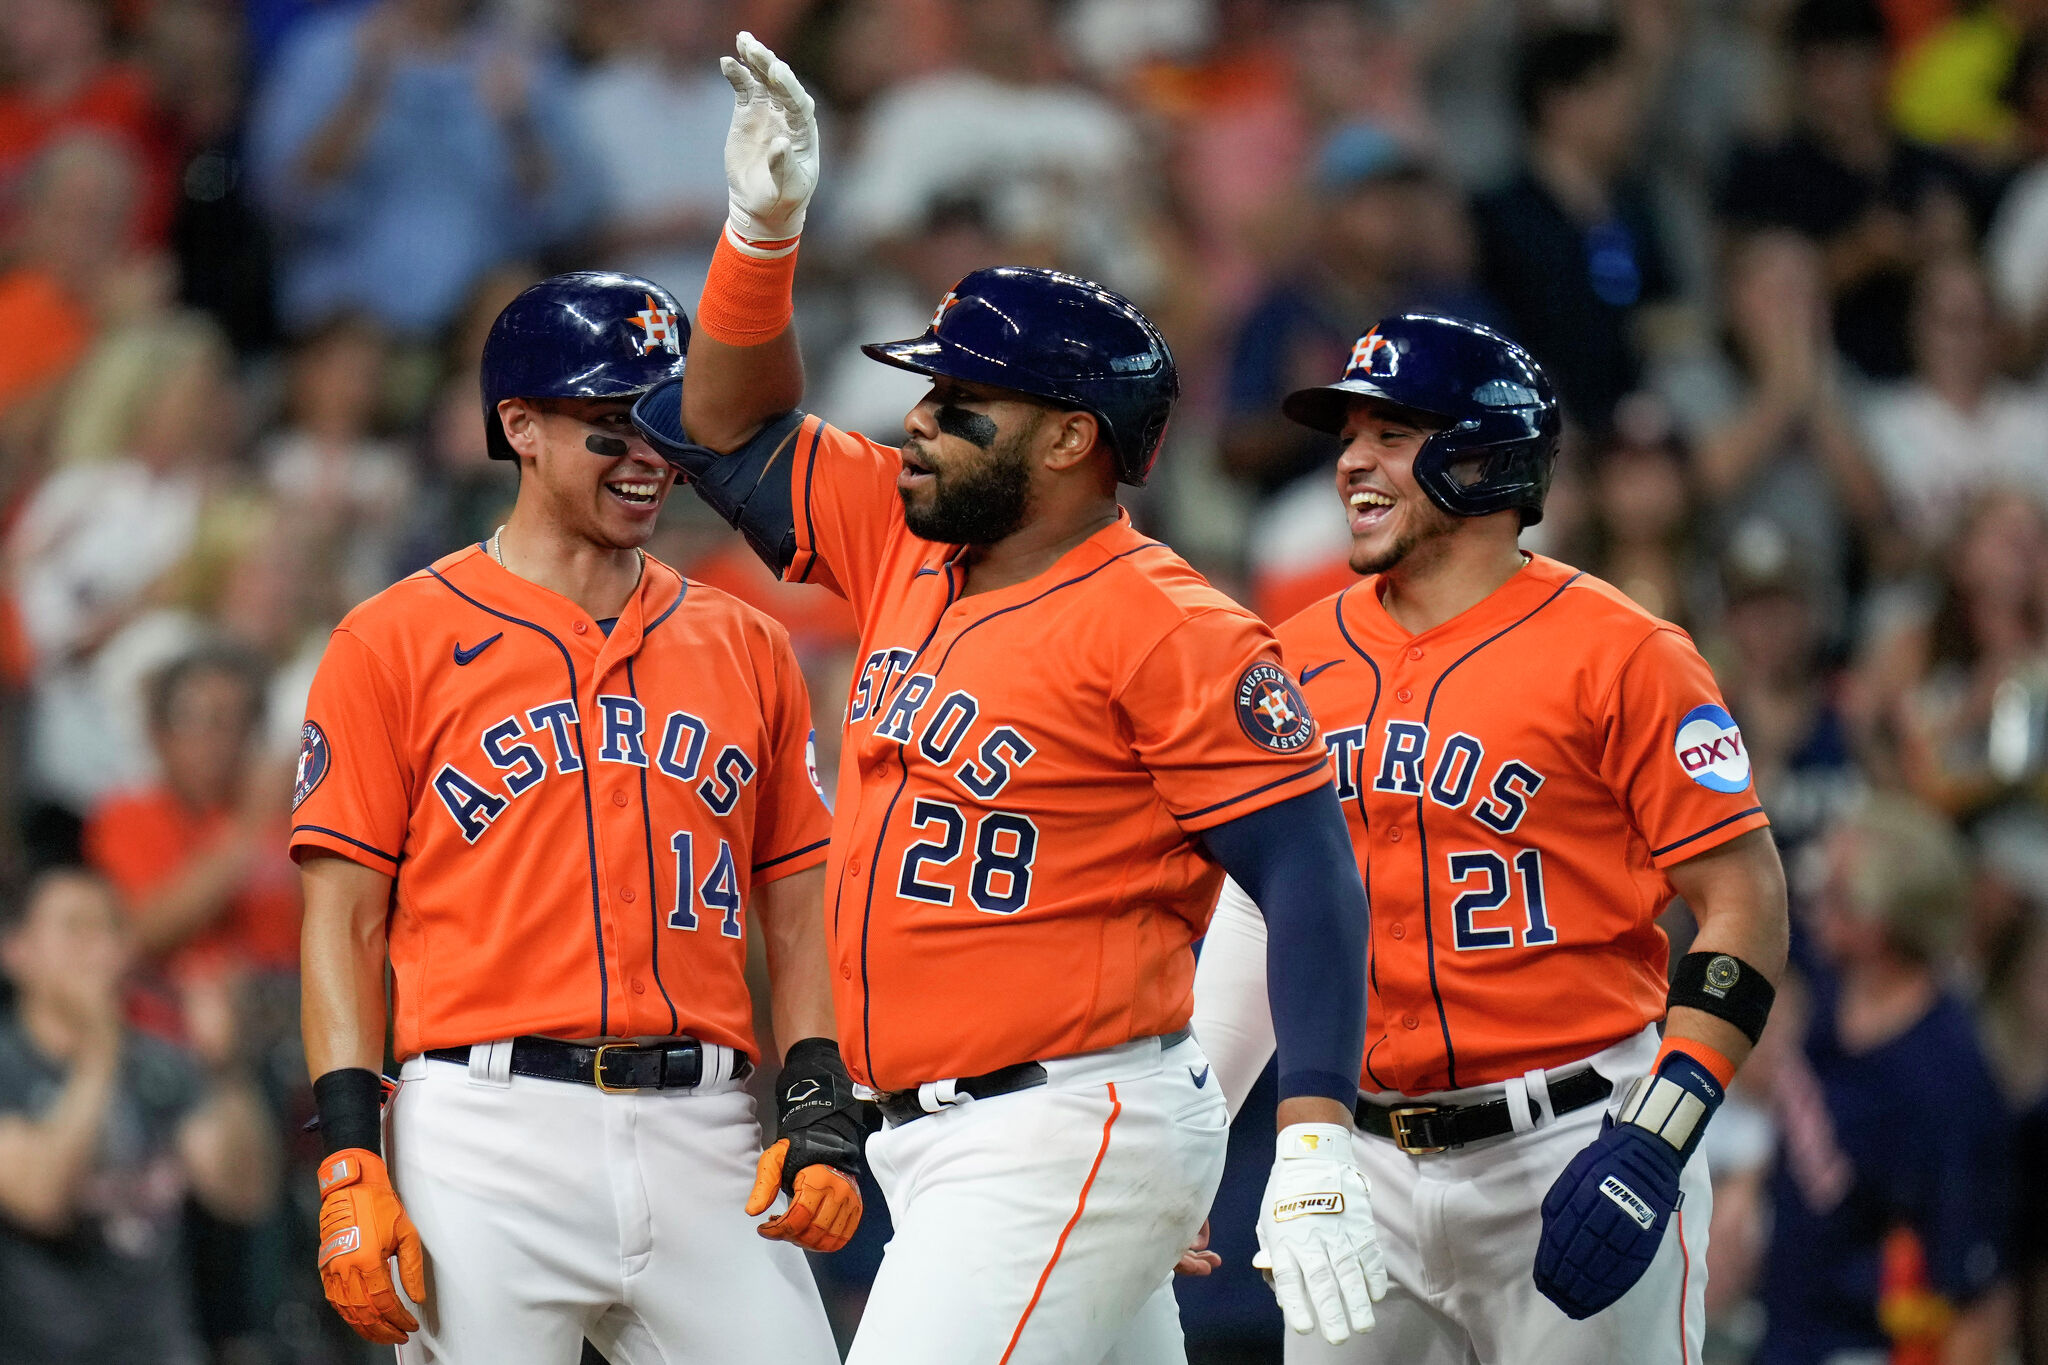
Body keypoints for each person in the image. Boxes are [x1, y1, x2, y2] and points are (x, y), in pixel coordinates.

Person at [631, 34, 1382, 1363]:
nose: (919, 419)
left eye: (962, 399)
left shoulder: (1174, 627)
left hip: (1058, 1127)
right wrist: (763, 230)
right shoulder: (902, 539)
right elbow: (722, 427)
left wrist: (1312, 1126)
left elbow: (1310, 872)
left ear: (1070, 437)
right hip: (947, 1136)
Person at [1190, 312, 1792, 1363]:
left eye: (1391, 432)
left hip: (1569, 1139)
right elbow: (1258, 905)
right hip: (1358, 1161)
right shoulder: (1290, 653)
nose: (1351, 462)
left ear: (1485, 453)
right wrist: (1196, 1149)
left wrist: (1659, 1131)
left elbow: (1743, 901)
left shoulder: (1624, 653)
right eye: (1347, 435)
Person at [292, 270, 860, 1362]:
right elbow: (344, 921)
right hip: (485, 1130)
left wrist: (818, 1100)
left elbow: (796, 899)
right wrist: (351, 1154)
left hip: (708, 1126)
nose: (650, 456)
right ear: (520, 427)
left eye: (667, 424)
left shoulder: (745, 643)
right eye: (612, 426)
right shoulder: (391, 640)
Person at [1746, 796, 2012, 1364]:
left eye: (1838, 898)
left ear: (1883, 925)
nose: (1817, 908)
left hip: (1864, 1346)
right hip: (1782, 1326)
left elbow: (1974, 1294)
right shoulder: (1830, 989)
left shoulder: (1948, 1080)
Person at [0, 867, 276, 1365]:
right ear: (16, 950)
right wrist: (100, 1048)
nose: (102, 947)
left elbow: (242, 1193)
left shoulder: (160, 1065)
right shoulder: (8, 1069)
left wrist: (224, 1068)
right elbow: (41, 1198)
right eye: (76, 928)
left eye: (111, 928)